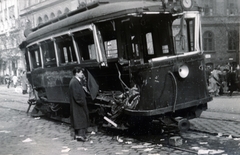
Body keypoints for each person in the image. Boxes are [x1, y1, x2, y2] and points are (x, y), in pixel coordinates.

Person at [69, 67, 89, 142]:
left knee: (79, 119)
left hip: (77, 104)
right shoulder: (74, 82)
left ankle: (79, 135)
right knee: (80, 119)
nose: (82, 74)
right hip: (78, 105)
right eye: (81, 72)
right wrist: (82, 102)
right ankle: (81, 136)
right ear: (76, 73)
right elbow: (76, 95)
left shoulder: (76, 81)